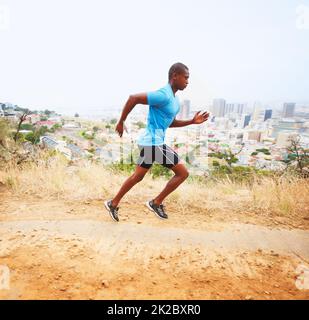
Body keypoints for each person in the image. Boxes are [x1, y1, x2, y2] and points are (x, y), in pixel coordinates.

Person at [104, 62, 209, 222]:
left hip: (151, 142)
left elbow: (170, 123)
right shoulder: (163, 94)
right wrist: (121, 121)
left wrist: (191, 122)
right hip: (153, 144)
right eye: (185, 78)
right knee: (183, 173)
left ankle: (113, 203)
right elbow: (134, 98)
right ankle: (156, 202)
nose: (187, 81)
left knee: (137, 177)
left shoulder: (174, 100)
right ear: (175, 76)